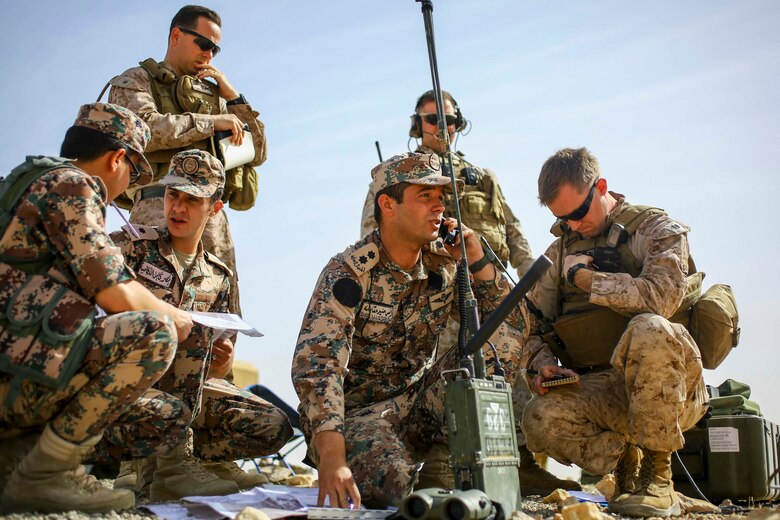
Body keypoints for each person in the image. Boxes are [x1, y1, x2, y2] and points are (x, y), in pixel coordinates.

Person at [361, 91, 576, 495]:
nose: (443, 129)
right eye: (432, 121)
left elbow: (516, 239)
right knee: (449, 381)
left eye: (450, 121)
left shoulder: (484, 178)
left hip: (484, 291)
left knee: (508, 367)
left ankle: (519, 462)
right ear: (416, 125)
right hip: (431, 298)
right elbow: (375, 241)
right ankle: (443, 464)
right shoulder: (399, 176)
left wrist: (533, 293)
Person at [293, 152, 526, 508]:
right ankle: (416, 474)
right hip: (357, 418)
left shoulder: (444, 262)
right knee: (402, 491)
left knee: (501, 341)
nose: (439, 208)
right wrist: (333, 457)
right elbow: (318, 368)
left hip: (418, 406)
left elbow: (512, 323)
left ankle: (443, 460)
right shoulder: (350, 273)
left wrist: (478, 260)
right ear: (388, 204)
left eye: (441, 199)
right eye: (425, 197)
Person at [0, 103, 194, 514]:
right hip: (13, 373)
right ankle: (43, 477)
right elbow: (115, 292)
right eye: (130, 175)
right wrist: (175, 315)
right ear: (118, 157)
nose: (125, 187)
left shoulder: (22, 185)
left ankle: (13, 463)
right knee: (153, 332)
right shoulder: (74, 186)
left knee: (163, 412)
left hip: (17, 361)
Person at [520, 148, 708, 517]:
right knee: (538, 417)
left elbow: (662, 299)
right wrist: (540, 366)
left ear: (600, 187)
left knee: (649, 326)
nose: (572, 225)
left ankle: (660, 478)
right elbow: (529, 326)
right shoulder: (560, 252)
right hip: (606, 392)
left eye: (577, 213)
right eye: (562, 218)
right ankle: (627, 469)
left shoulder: (658, 230)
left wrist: (590, 280)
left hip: (675, 390)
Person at [109, 150, 292, 500]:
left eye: (192, 200)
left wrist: (220, 364)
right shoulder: (133, 248)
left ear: (215, 208)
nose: (178, 208)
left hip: (187, 392)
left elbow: (212, 368)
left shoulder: (218, 277)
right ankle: (156, 465)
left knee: (274, 424)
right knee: (185, 329)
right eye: (172, 195)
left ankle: (203, 462)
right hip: (129, 385)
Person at [108, 4, 268, 323]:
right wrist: (211, 122)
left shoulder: (216, 98)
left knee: (222, 324)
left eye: (216, 49)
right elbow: (145, 128)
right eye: (204, 44)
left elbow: (258, 151)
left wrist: (233, 97)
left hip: (212, 219)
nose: (209, 55)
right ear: (176, 35)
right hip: (159, 209)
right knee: (151, 316)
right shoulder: (136, 80)